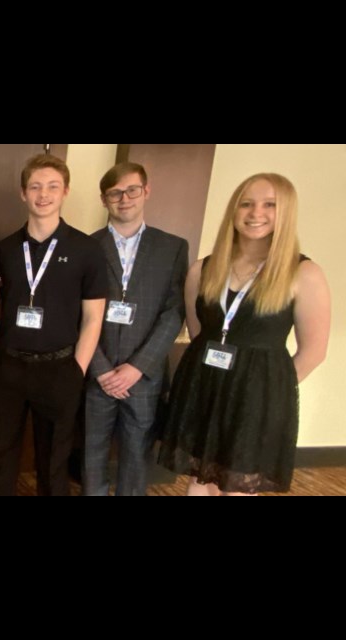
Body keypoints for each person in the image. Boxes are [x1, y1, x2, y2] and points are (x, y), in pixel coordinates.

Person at [159, 173, 330, 495]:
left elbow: (313, 352)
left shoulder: (303, 273)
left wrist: (266, 395)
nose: (255, 213)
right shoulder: (202, 269)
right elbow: (201, 333)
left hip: (255, 399)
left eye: (270, 205)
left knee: (235, 486)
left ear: (286, 212)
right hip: (204, 388)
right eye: (247, 204)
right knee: (199, 480)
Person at [0, 154, 108, 496]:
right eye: (35, 186)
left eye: (52, 186)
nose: (43, 194)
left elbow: (95, 316)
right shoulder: (3, 249)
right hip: (6, 368)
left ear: (65, 191)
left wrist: (77, 369)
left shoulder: (87, 250)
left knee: (53, 465)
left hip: (59, 369)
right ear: (23, 193)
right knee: (0, 459)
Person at [83, 163, 188, 496]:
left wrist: (137, 367)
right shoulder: (86, 246)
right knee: (91, 456)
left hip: (144, 377)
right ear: (104, 199)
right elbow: (75, 312)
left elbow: (174, 313)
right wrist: (100, 370)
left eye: (131, 190)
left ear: (146, 190)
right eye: (115, 193)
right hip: (96, 373)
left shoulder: (172, 248)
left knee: (137, 458)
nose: (124, 198)